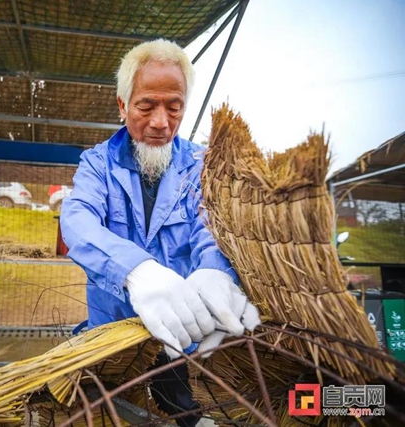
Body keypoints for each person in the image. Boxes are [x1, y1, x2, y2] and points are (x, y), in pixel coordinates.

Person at [60, 39, 260, 426]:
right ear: (122, 105)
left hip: (177, 327)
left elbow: (211, 227)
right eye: (146, 106)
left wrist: (215, 271)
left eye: (174, 107)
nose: (160, 122)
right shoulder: (97, 163)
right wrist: (136, 271)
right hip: (112, 328)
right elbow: (78, 220)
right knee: (110, 409)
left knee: (180, 407)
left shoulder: (201, 166)